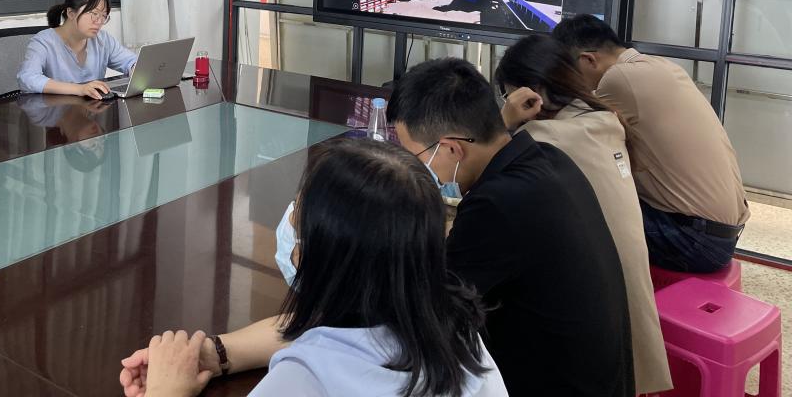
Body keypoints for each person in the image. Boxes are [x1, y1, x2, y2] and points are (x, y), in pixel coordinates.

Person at [119, 137, 508, 397]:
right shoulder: (453, 329)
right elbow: (321, 331)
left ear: (313, 258)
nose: (289, 223)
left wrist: (166, 392)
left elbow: (322, 346)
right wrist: (214, 354)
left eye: (297, 218)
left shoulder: (304, 380)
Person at [388, 58, 634, 397]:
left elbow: (427, 307)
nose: (416, 169)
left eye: (414, 157)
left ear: (451, 148)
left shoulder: (496, 204)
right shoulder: (547, 158)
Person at [495, 35, 671, 394]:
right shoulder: (604, 120)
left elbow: (487, 181)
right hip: (633, 328)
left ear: (530, 95)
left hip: (592, 337)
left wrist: (504, 122)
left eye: (507, 94)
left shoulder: (541, 139)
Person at [553, 14, 749, 273]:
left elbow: (562, 129)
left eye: (569, 73)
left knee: (568, 205)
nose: (572, 83)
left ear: (588, 60)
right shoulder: (661, 66)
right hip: (723, 234)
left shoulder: (618, 78)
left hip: (694, 241)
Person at [17, 0, 137, 99]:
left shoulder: (102, 39)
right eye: (94, 13)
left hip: (92, 108)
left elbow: (131, 61)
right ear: (71, 13)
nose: (99, 21)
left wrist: (135, 69)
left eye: (104, 16)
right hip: (54, 110)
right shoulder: (44, 42)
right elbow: (28, 78)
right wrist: (79, 89)